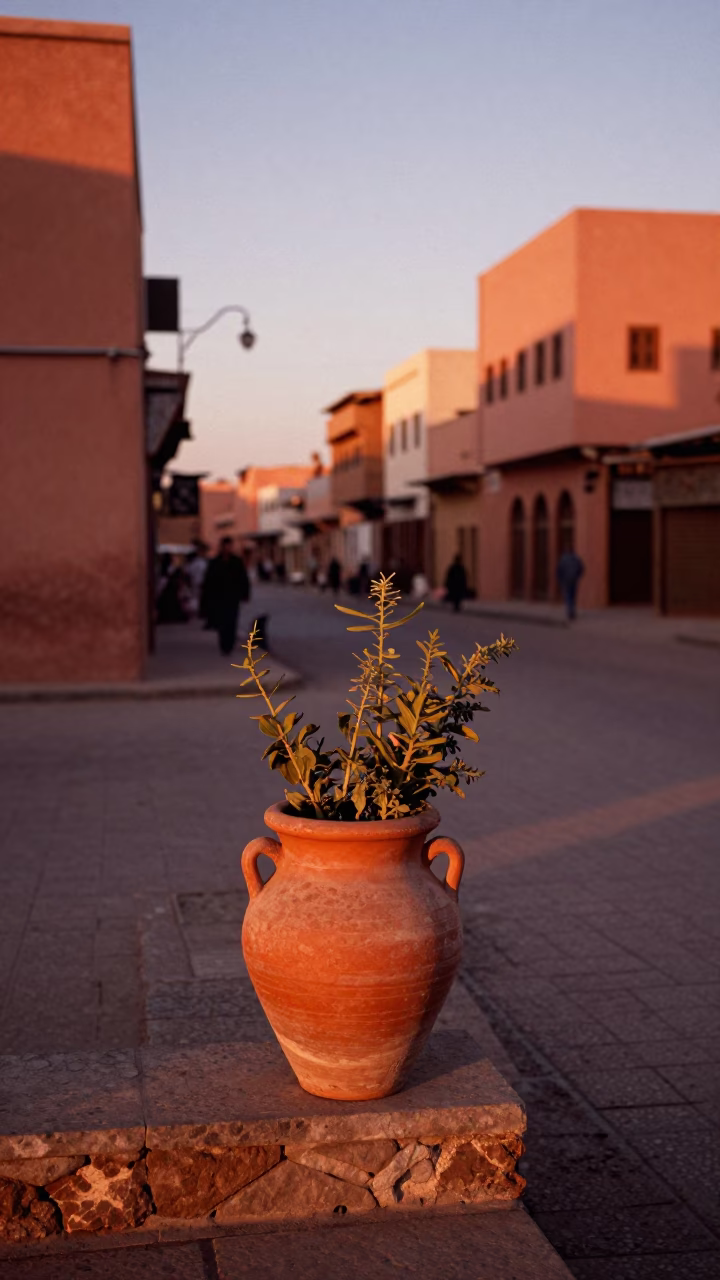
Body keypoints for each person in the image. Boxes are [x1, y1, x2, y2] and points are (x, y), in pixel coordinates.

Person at [202, 537, 250, 655]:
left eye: (229, 546)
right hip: (219, 597)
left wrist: (245, 594)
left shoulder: (236, 562)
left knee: (232, 620)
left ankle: (230, 643)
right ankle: (224, 644)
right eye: (225, 546)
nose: (227, 549)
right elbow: (208, 581)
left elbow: (243, 579)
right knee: (221, 621)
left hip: (233, 597)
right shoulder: (215, 562)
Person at [556, 549, 585, 621]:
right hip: (574, 580)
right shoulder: (576, 558)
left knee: (568, 596)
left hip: (566, 581)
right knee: (573, 595)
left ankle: (570, 611)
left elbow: (559, 569)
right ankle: (572, 611)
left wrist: (560, 579)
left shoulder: (563, 559)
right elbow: (581, 568)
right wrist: (578, 576)